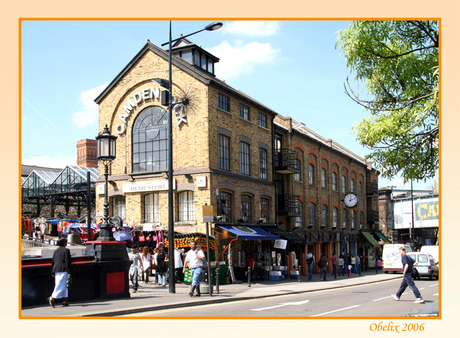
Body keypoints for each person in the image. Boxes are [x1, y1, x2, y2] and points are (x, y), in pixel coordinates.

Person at [48, 238, 72, 307]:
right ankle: (52, 298)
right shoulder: (66, 250)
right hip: (63, 270)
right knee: (61, 286)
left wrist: (52, 272)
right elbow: (67, 261)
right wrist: (69, 272)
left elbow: (53, 262)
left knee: (63, 286)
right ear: (64, 243)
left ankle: (65, 301)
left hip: (56, 269)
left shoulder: (56, 251)